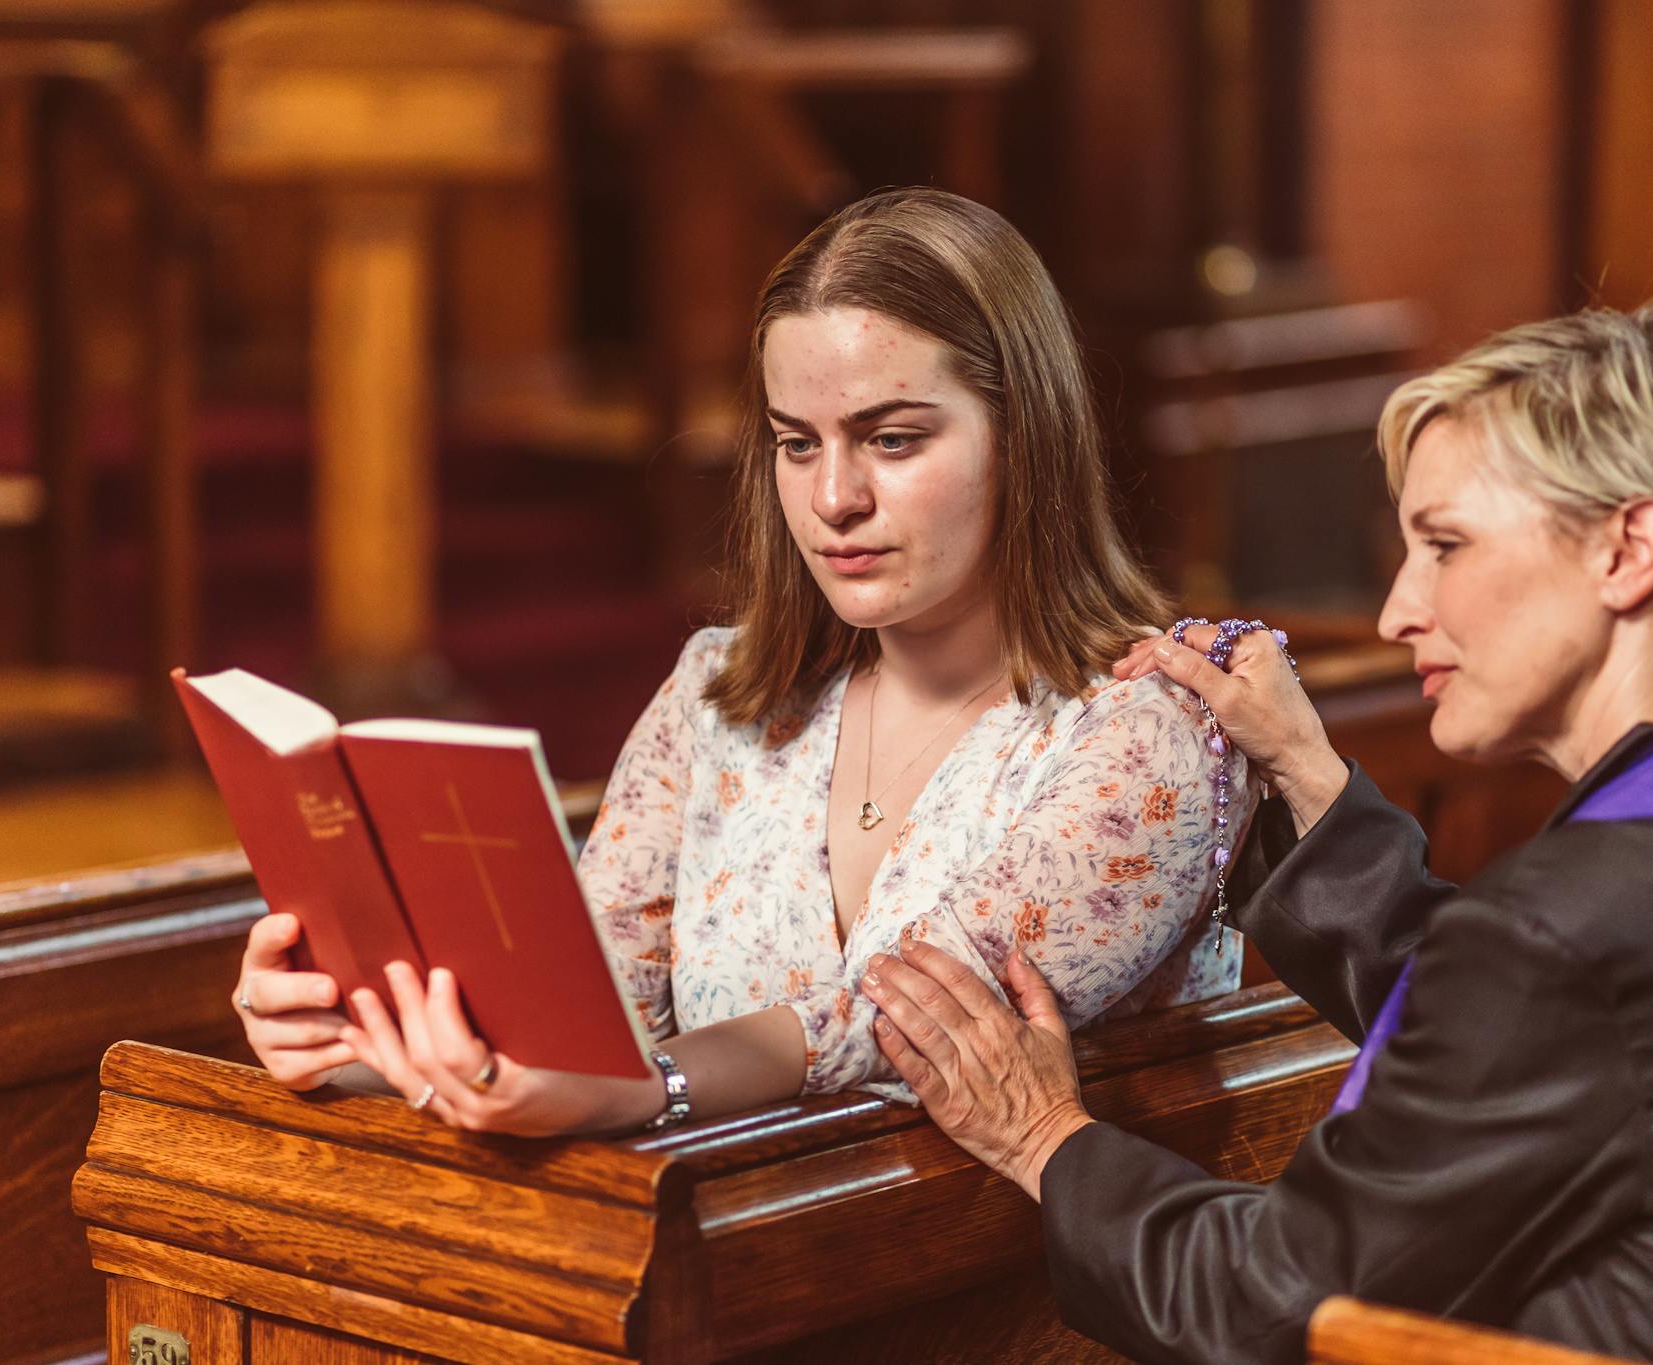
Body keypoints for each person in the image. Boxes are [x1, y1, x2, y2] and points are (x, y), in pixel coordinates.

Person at [866, 302, 1653, 1364]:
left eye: (1444, 545)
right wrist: (1306, 776)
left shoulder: (1577, 932)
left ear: (1627, 550)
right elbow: (1532, 1045)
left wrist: (1043, 1139)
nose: (1398, 608)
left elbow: (1278, 1304)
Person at [228, 187, 1252, 1136]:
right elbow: (574, 1025)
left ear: (1026, 436)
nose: (831, 499)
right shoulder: (716, 697)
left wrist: (651, 1084)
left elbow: (908, 1017)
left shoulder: (1143, 730)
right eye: (795, 444)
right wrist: (357, 1039)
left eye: (890, 440)